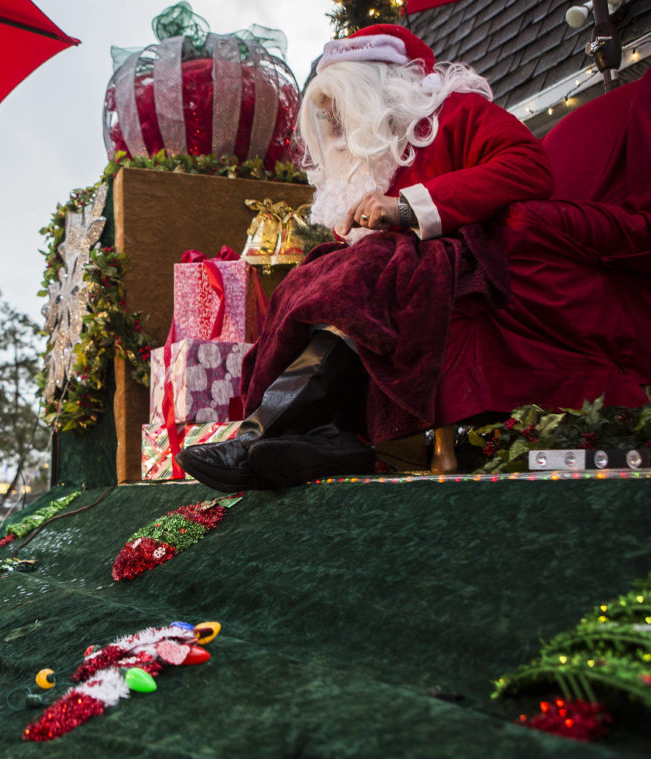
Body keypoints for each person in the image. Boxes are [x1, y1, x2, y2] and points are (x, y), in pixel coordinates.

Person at [177, 24, 562, 490]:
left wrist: (405, 207)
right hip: (393, 272)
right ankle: (329, 440)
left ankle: (261, 433)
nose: (331, 125)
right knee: (308, 280)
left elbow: (529, 167)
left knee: (359, 275)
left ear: (371, 93)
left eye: (337, 108)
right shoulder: (377, 155)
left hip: (467, 263)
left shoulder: (456, 113)